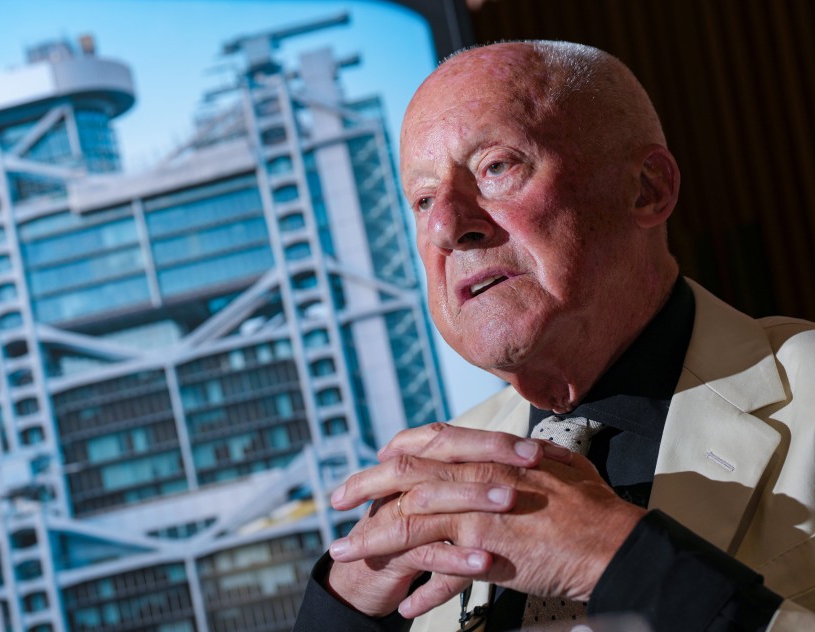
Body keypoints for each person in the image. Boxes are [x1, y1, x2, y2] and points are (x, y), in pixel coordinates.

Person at [293, 41, 815, 631]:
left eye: (496, 167)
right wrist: (343, 613)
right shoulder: (436, 486)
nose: (444, 227)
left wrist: (620, 560)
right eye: (421, 199)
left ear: (648, 189)